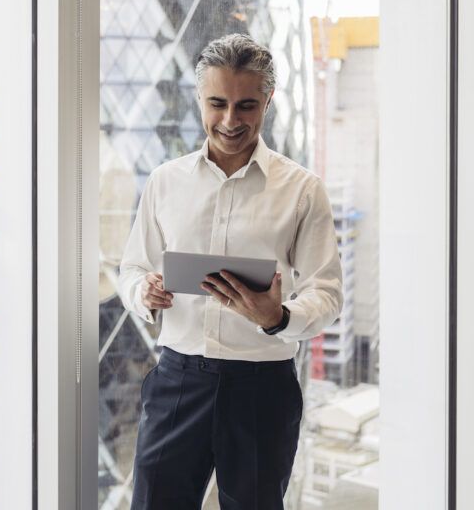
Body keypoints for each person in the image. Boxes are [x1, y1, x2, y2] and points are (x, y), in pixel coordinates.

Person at [118, 33, 343, 509]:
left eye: (246, 106)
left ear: (268, 101)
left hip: (261, 389)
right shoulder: (165, 181)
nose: (229, 120)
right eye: (217, 103)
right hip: (178, 381)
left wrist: (277, 316)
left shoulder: (303, 190)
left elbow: (327, 293)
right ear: (199, 98)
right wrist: (145, 292)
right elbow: (133, 267)